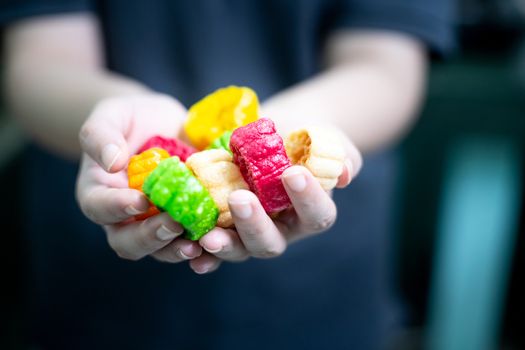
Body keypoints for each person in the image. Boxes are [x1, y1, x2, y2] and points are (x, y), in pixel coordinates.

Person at [1, 1, 454, 349]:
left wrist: (281, 133)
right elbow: (38, 62)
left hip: (320, 293)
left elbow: (386, 69)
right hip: (94, 288)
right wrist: (109, 124)